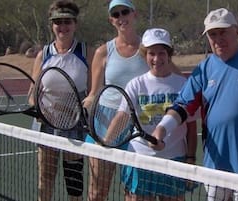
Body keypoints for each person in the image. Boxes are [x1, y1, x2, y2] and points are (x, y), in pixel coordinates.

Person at [149, 8, 238, 201]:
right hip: (215, 168)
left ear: (237, 32)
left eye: (223, 32)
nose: (218, 39)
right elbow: (182, 106)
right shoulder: (204, 69)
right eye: (212, 34)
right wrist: (161, 130)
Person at [81, 1, 182, 200]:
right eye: (116, 14)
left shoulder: (150, 50)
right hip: (107, 122)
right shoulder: (103, 52)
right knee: (96, 192)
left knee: (133, 192)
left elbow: (177, 77)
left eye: (124, 11)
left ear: (134, 14)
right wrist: (88, 103)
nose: (121, 17)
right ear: (111, 20)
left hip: (139, 125)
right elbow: (94, 92)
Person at [111, 28, 197, 201]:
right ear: (145, 55)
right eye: (151, 53)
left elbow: (191, 127)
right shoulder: (136, 84)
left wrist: (190, 158)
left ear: (169, 54)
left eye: (162, 53)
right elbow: (122, 116)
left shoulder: (183, 85)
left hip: (174, 161)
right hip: (139, 158)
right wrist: (104, 142)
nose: (157, 59)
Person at [29, 1, 93, 200]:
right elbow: (33, 91)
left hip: (75, 126)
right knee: (45, 178)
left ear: (75, 24)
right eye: (58, 22)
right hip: (45, 126)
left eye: (67, 21)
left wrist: (81, 110)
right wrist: (35, 108)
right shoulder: (44, 55)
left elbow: (93, 92)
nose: (63, 27)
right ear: (52, 25)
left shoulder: (86, 53)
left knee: (73, 182)